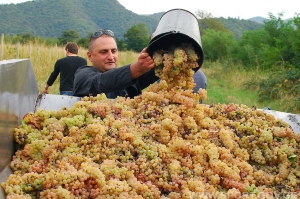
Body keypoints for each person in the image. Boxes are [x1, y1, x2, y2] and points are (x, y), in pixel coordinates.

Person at [73, 30, 159, 98]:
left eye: (114, 51)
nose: (111, 56)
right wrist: (138, 67)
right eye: (104, 52)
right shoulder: (82, 75)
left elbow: (156, 70)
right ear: (90, 56)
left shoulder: (129, 77)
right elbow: (101, 82)